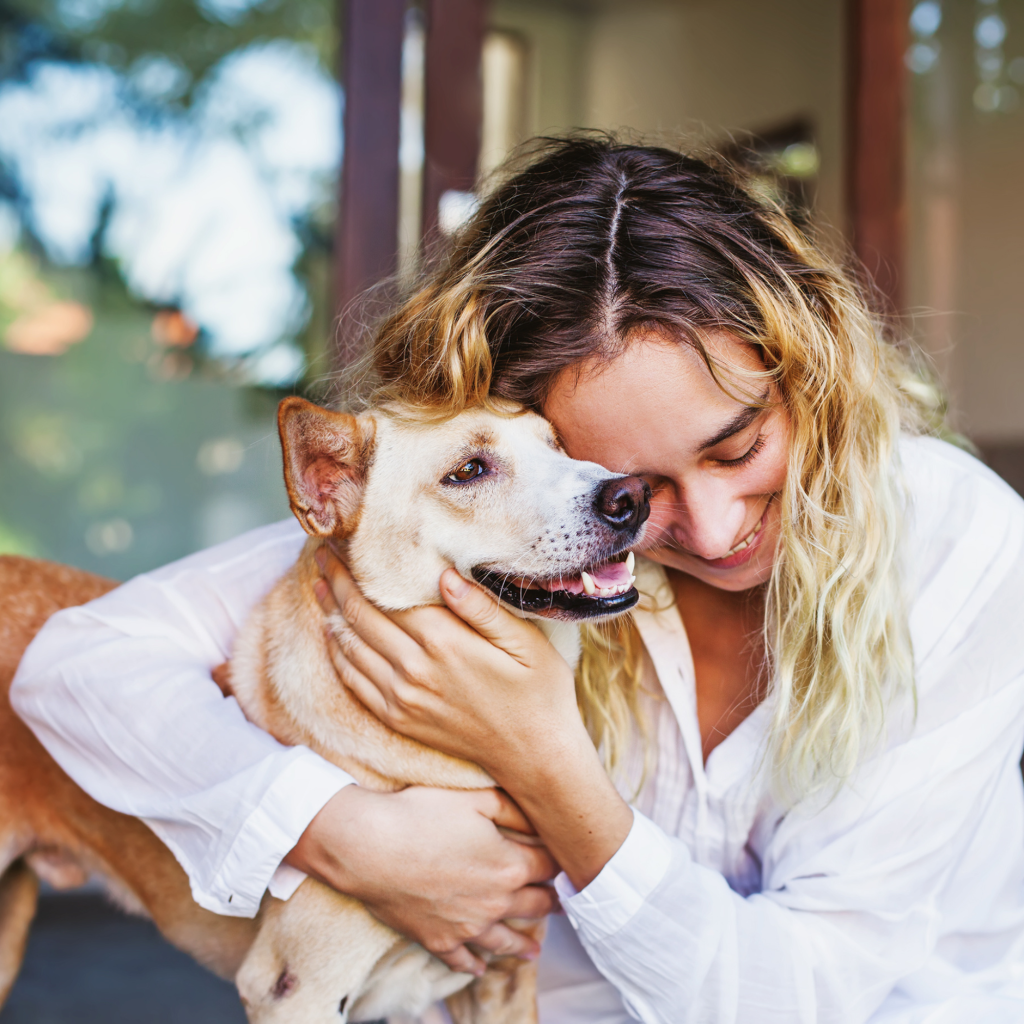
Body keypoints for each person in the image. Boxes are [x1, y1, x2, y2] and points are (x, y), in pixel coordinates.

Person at [12, 137, 1024, 1023]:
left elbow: (794, 999)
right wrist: (342, 831)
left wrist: (540, 753)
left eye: (738, 443)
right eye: (627, 488)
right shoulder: (483, 524)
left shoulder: (958, 542)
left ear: (806, 367)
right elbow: (75, 665)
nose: (713, 531)